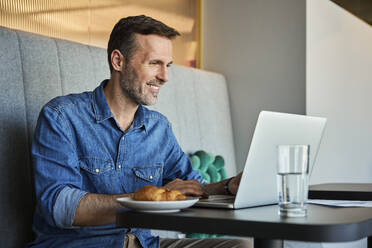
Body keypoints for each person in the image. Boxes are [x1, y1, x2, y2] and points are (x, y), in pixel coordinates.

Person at [28, 15, 252, 248]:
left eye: (168, 65)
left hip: (145, 244)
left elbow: (192, 187)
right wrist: (150, 197)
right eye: (154, 63)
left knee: (242, 246)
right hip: (82, 245)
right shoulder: (62, 117)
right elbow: (59, 207)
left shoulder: (158, 128)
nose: (165, 77)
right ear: (118, 61)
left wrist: (228, 186)